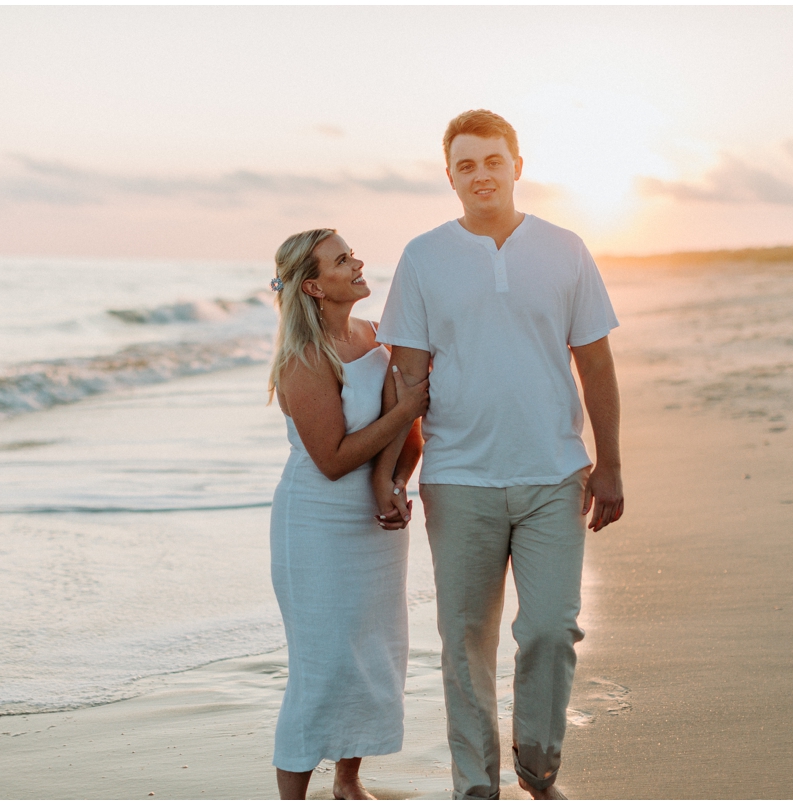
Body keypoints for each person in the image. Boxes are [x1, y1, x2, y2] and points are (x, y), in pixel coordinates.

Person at [373, 109, 624, 800]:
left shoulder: (566, 248)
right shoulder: (424, 257)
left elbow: (596, 365)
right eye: (465, 164)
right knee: (465, 645)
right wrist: (393, 473)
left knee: (550, 629)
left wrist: (611, 462)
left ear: (517, 165)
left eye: (492, 160)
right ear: (449, 175)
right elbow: (407, 380)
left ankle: (539, 767)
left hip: (554, 472)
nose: (480, 174)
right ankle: (474, 789)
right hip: (458, 479)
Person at [267, 228, 429, 800]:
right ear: (313, 286)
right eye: (341, 260)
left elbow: (406, 433)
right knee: (324, 664)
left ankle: (349, 783)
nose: (357, 262)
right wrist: (409, 404)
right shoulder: (305, 359)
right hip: (318, 523)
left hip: (375, 524)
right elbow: (333, 459)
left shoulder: (374, 335)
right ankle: (293, 796)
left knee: (373, 651)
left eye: (352, 252)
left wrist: (396, 483)